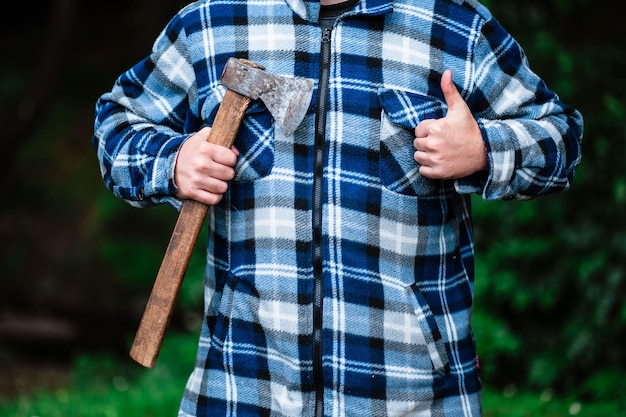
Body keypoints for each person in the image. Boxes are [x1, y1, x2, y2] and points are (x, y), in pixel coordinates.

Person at [92, 0, 583, 415]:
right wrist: (173, 162)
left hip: (412, 393)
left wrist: (483, 151)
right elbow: (118, 124)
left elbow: (560, 138)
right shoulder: (213, 21)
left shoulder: (453, 26)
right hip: (242, 384)